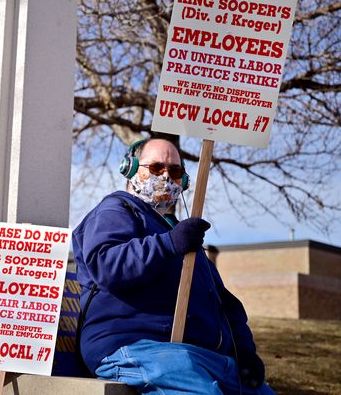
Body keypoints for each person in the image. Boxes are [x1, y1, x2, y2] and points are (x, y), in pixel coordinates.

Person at [72, 138, 276, 395]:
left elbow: (224, 303)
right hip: (136, 345)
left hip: (206, 357)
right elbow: (107, 265)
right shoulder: (116, 210)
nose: (166, 176)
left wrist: (244, 351)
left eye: (175, 171)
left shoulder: (182, 235)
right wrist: (168, 244)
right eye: (156, 168)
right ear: (130, 168)